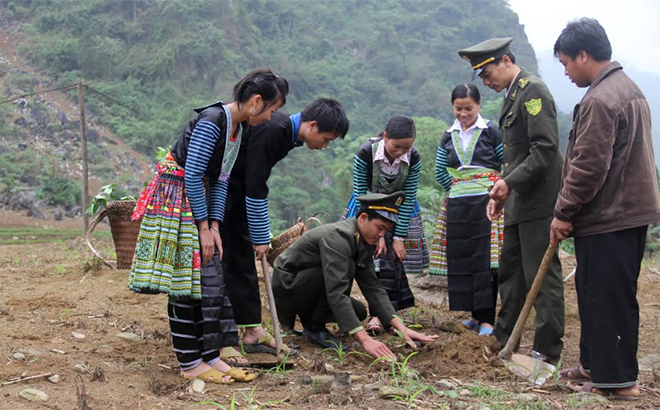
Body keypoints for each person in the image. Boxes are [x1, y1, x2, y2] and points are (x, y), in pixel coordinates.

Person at [127, 68, 289, 383]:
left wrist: (214, 224)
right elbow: (193, 175)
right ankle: (190, 364)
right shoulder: (212, 121)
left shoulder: (237, 129)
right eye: (271, 109)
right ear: (256, 102)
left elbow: (221, 180)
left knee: (209, 281)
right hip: (178, 200)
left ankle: (211, 356)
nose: (271, 117)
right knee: (185, 285)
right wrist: (202, 226)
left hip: (198, 203)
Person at [551, 18, 660, 400]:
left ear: (584, 54)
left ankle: (617, 382)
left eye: (566, 62)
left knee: (607, 295)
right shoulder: (628, 88)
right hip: (626, 212)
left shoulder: (600, 99)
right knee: (595, 290)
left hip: (611, 214)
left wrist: (563, 211)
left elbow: (588, 166)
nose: (565, 71)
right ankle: (594, 364)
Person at [458, 38, 565, 363]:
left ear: (505, 60)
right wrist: (504, 191)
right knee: (511, 272)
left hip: (539, 202)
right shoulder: (513, 96)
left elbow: (545, 148)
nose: (486, 82)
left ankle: (546, 349)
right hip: (519, 200)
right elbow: (517, 156)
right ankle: (505, 337)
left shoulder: (533, 91)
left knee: (540, 275)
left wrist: (509, 183)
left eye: (488, 73)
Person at [221, 98, 349, 360]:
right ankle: (221, 336)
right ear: (312, 125)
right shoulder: (273, 129)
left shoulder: (286, 133)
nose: (324, 146)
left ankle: (252, 329)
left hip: (237, 199)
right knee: (226, 265)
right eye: (326, 139)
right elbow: (255, 183)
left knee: (243, 262)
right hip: (224, 196)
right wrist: (260, 236)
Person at [272, 192, 439, 359]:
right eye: (380, 228)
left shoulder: (363, 241)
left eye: (386, 230)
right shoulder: (338, 238)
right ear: (363, 218)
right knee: (348, 267)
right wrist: (365, 340)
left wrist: (400, 327)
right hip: (289, 287)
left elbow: (373, 288)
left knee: (358, 312)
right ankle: (315, 328)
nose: (382, 235)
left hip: (308, 286)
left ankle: (312, 323)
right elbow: (336, 291)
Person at [342, 115, 429, 334]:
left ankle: (385, 315)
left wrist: (398, 237)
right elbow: (362, 193)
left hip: (400, 211)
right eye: (396, 146)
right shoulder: (365, 153)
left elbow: (408, 195)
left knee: (393, 259)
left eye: (406, 148)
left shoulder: (414, 157)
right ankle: (367, 314)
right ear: (385, 137)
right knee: (368, 258)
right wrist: (378, 232)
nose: (400, 152)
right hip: (367, 211)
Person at [429, 84, 503, 336]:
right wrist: (461, 185)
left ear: (479, 105)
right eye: (458, 108)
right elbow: (440, 170)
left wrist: (491, 187)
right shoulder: (447, 135)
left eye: (468, 108)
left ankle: (487, 319)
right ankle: (472, 314)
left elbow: (506, 162)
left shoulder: (491, 130)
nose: (463, 113)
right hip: (459, 203)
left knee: (486, 259)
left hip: (487, 201)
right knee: (461, 256)